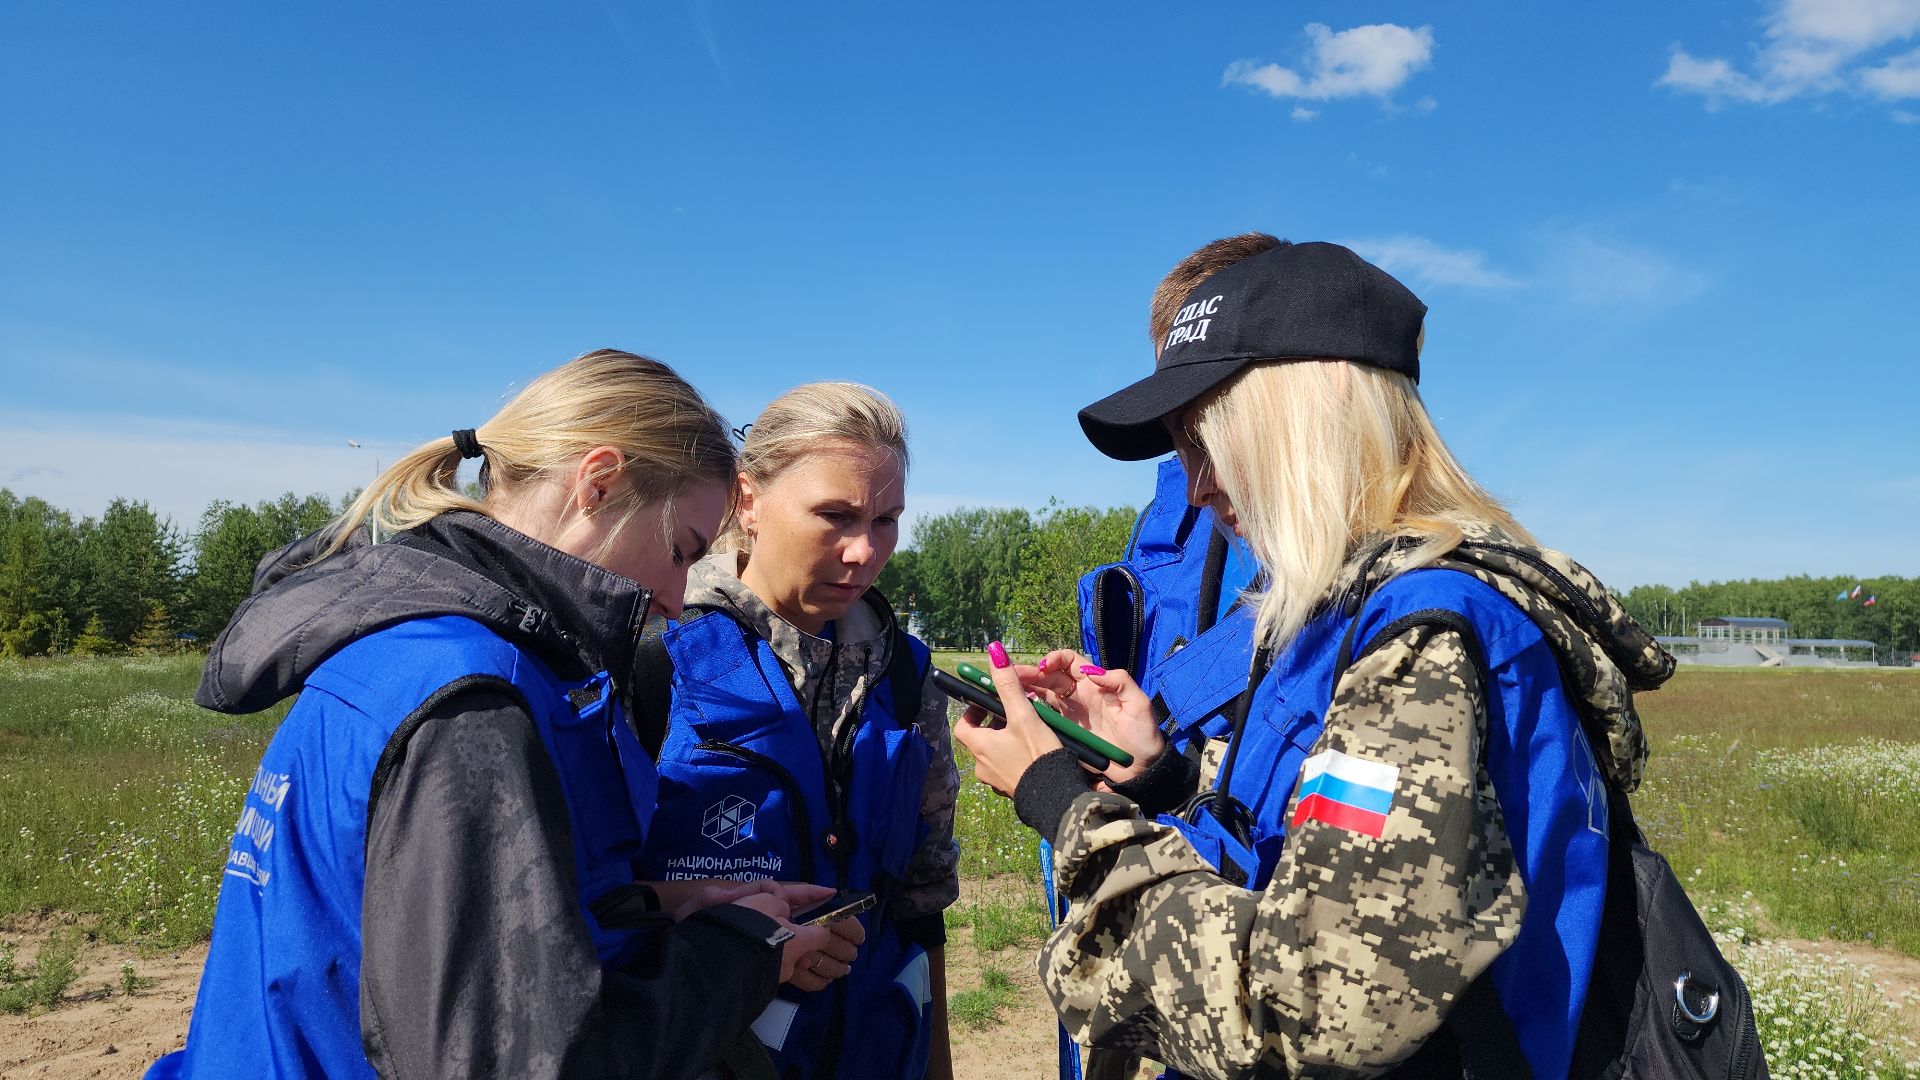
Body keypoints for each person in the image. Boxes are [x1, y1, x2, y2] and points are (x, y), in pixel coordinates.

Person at [955, 239, 1676, 1078]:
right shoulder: (1345, 612)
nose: (1194, 489)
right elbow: (1320, 857)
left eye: (1205, 440)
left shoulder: (1422, 636)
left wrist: (1062, 805)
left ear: (1310, 410)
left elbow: (1313, 1005)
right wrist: (1158, 779)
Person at [150, 349, 858, 1080]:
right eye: (681, 551)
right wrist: (740, 956)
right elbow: (518, 1060)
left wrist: (671, 903)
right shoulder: (474, 701)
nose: (680, 598)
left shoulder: (415, 646)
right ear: (600, 483)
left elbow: (434, 930)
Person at [633, 383, 961, 1080]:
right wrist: (736, 941)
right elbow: (589, 901)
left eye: (886, 520)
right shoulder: (655, 651)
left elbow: (923, 897)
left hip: (875, 1047)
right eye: (835, 516)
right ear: (747, 502)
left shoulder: (904, 672)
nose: (864, 552)